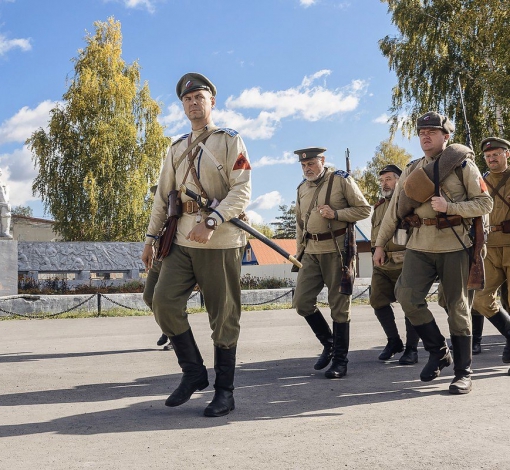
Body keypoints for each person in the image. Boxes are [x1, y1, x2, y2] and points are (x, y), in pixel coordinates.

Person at [141, 72, 251, 417]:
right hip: (182, 239)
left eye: (199, 97)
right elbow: (162, 198)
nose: (193, 103)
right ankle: (193, 372)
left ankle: (225, 392)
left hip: (219, 241)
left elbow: (242, 189)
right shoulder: (175, 148)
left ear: (211, 102)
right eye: (187, 99)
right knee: (160, 300)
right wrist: (149, 238)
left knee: (223, 315)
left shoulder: (229, 140)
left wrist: (213, 220)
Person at [373, 111, 493, 394]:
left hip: (456, 246)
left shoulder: (464, 167)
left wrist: (451, 208)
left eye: (432, 132)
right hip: (419, 245)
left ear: (446, 136)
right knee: (406, 296)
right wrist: (379, 244)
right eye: (421, 133)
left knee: (457, 307)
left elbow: (485, 203)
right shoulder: (414, 169)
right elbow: (393, 211)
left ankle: (463, 372)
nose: (425, 137)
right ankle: (439, 351)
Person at [293, 147, 371, 379]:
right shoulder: (301, 188)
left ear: (322, 161)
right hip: (311, 252)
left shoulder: (340, 180)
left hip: (337, 252)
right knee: (301, 303)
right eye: (304, 165)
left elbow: (364, 209)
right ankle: (329, 343)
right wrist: (299, 252)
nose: (307, 169)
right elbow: (299, 223)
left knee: (339, 306)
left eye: (311, 164)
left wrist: (336, 214)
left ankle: (340, 360)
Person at [370, 164, 420, 364]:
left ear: (400, 180)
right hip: (382, 261)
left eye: (389, 179)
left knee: (410, 304)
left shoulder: (409, 202)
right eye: (382, 180)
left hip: (406, 260)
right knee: (378, 301)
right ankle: (394, 341)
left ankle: (412, 349)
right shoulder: (379, 206)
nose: (385, 183)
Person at [472, 137, 510, 374]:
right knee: (480, 298)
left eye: (496, 153)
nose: (491, 158)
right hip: (489, 247)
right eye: (488, 156)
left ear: (507, 154)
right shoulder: (480, 181)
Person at [0, 169, 12, 239]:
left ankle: (5, 232)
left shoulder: (5, 185)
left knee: (5, 212)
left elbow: (6, 198)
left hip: (3, 204)